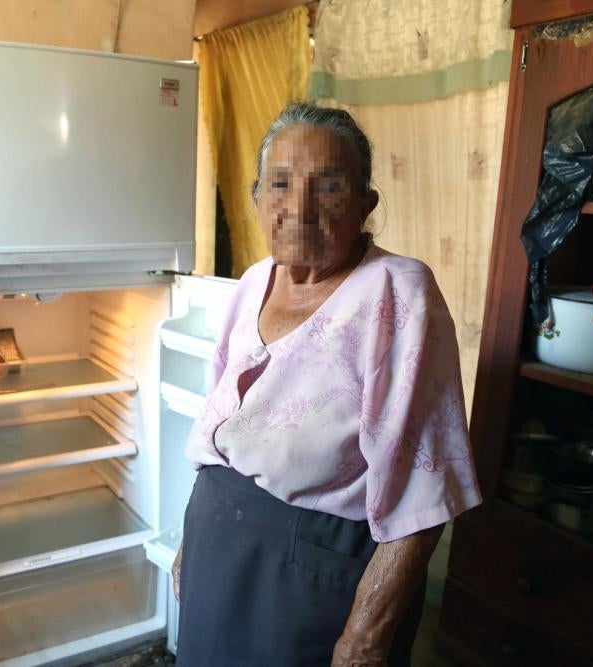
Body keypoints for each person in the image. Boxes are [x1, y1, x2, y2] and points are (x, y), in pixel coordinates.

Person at [172, 102, 482, 667]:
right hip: (219, 552)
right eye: (281, 184)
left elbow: (425, 493)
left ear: (366, 204)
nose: (299, 207)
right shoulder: (252, 282)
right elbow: (217, 427)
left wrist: (366, 634)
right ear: (258, 198)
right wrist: (189, 547)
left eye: (329, 186)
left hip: (311, 574)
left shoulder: (396, 293)